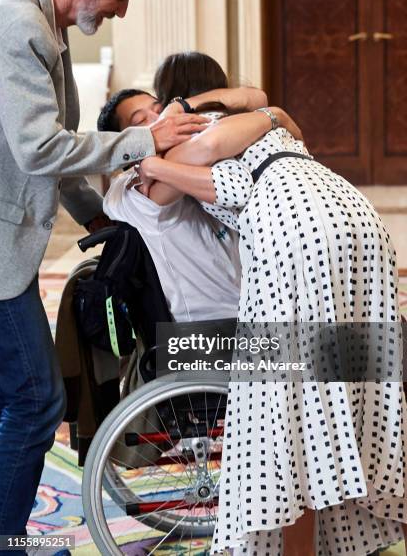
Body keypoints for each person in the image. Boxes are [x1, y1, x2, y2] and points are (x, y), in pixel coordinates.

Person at [133, 52, 407, 556]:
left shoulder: (196, 136)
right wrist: (266, 115)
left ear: (174, 96)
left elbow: (175, 191)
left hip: (296, 232)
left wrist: (144, 156)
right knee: (361, 383)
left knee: (290, 414)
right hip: (355, 216)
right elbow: (262, 103)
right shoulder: (256, 120)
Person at [0, 0, 208, 544]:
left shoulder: (45, 23)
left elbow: (51, 151)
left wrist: (95, 220)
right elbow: (41, 150)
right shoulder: (19, 24)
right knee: (38, 404)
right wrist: (145, 140)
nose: (120, 11)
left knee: (12, 401)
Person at [98, 80, 301, 322]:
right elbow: (231, 180)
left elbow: (255, 97)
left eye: (158, 108)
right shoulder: (132, 187)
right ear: (123, 143)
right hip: (202, 333)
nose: (162, 120)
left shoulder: (168, 163)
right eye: (141, 120)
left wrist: (179, 106)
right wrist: (274, 116)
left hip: (253, 313)